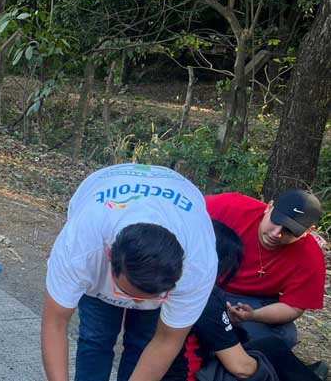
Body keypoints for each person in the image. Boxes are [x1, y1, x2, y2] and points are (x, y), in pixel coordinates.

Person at [41, 163, 218, 381]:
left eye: (150, 297)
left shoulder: (199, 264)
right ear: (109, 257)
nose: (136, 302)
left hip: (179, 206)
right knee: (96, 337)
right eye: (128, 293)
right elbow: (55, 323)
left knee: (143, 341)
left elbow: (166, 341)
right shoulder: (82, 246)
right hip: (100, 200)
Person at [164, 221, 324, 381]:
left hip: (160, 366)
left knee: (270, 346)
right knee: (270, 353)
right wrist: (271, 370)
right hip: (191, 375)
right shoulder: (204, 300)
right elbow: (242, 368)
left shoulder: (162, 281)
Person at [205, 189, 326, 348]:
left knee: (284, 336)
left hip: (252, 301)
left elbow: (293, 307)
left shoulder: (311, 257)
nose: (277, 234)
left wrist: (252, 315)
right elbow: (182, 212)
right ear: (269, 207)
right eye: (276, 221)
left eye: (289, 231)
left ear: (308, 231)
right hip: (205, 282)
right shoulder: (231, 206)